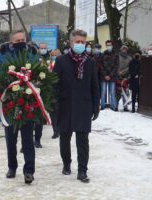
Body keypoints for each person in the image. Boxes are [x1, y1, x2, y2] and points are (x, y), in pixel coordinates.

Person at [0, 30, 36, 184]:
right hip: (9, 103)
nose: (20, 42)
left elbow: (39, 72)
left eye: (23, 39)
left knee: (28, 140)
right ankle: (12, 167)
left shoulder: (31, 55)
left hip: (27, 102)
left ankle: (29, 171)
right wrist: (7, 79)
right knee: (11, 139)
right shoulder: (3, 56)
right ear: (11, 42)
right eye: (17, 40)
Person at [53, 29, 100, 183]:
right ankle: (67, 163)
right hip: (65, 106)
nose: (80, 44)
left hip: (84, 106)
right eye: (77, 41)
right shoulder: (61, 61)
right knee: (64, 138)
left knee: (83, 140)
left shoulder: (90, 62)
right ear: (71, 42)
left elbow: (95, 86)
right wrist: (55, 104)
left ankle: (82, 171)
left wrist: (95, 106)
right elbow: (55, 84)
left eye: (83, 42)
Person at [101, 40, 119, 111]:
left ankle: (114, 106)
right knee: (103, 92)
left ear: (112, 45)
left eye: (110, 45)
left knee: (112, 92)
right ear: (106, 46)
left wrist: (110, 75)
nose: (109, 46)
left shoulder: (115, 54)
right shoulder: (103, 54)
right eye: (107, 45)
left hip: (113, 76)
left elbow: (116, 66)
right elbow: (101, 65)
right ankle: (102, 106)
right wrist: (105, 74)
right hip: (104, 76)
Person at [49, 49, 61, 139]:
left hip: (60, 91)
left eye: (56, 55)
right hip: (51, 91)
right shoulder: (48, 65)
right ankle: (55, 130)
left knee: (60, 111)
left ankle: (60, 128)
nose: (54, 57)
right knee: (52, 112)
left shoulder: (63, 65)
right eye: (53, 55)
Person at [117, 45, 132, 112]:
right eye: (123, 49)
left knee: (125, 92)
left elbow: (131, 67)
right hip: (117, 76)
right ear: (121, 49)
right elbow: (114, 65)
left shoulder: (129, 58)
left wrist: (124, 73)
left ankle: (125, 106)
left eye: (125, 49)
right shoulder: (117, 57)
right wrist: (118, 72)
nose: (124, 50)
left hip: (125, 77)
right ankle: (115, 106)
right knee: (117, 92)